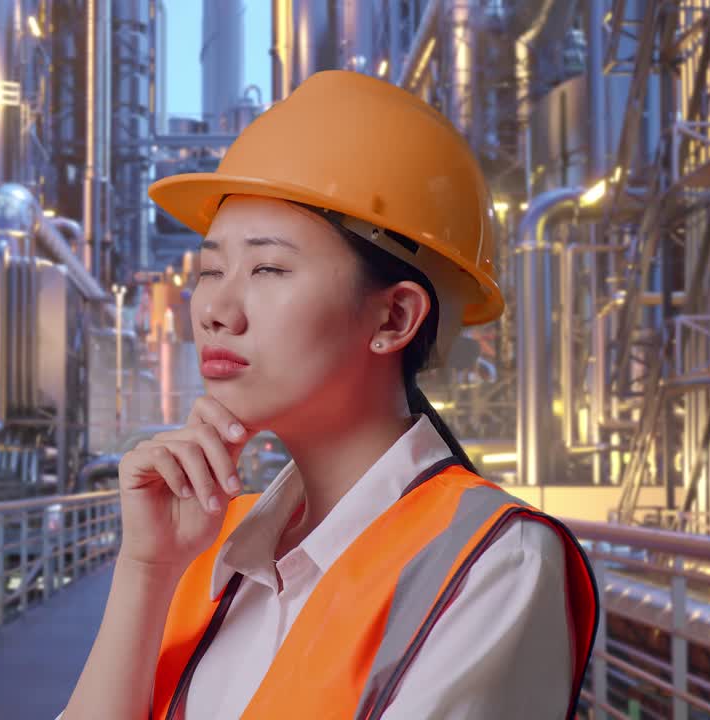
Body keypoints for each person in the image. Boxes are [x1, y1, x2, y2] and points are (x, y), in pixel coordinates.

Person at [60, 70, 598, 719]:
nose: (214, 311)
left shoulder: (491, 563)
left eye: (268, 268)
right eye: (208, 271)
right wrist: (146, 568)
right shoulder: (210, 543)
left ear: (394, 318)